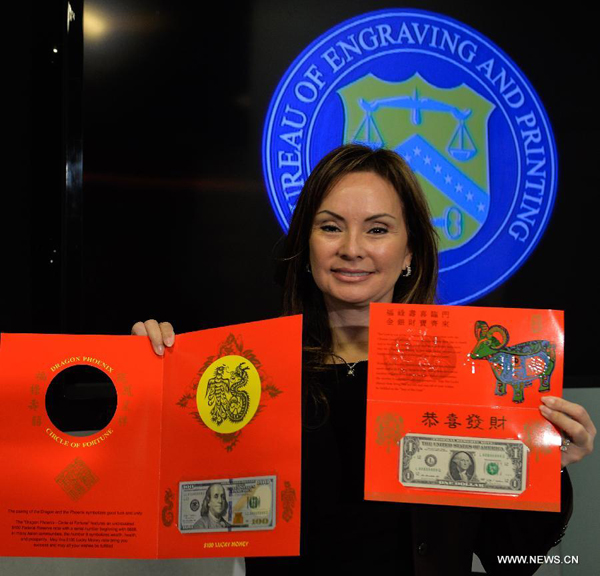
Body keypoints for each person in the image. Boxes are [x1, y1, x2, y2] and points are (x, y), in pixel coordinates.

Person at [133, 144, 596, 575]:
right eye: (331, 226)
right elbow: (177, 502)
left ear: (409, 251)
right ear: (306, 246)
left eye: (377, 229)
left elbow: (511, 558)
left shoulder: (467, 379)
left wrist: (548, 470)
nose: (352, 248)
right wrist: (153, 374)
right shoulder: (251, 373)